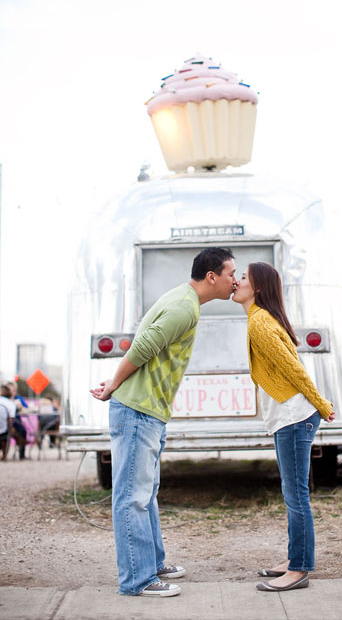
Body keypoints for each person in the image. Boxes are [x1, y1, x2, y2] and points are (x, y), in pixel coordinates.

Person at [90, 246, 237, 597]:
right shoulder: (184, 306)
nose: (235, 280)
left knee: (147, 494)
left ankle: (152, 563)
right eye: (231, 273)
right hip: (137, 410)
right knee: (133, 497)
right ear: (212, 276)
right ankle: (138, 581)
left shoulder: (186, 301)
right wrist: (113, 384)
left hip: (150, 411)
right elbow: (143, 346)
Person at [231, 262, 335, 592]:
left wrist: (321, 404)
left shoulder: (260, 323)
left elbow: (295, 370)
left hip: (295, 417)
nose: (236, 282)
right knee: (292, 495)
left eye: (243, 278)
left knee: (296, 496)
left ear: (257, 288)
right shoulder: (258, 320)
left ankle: (300, 568)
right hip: (289, 417)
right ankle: (294, 560)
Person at [0, 385, 17, 461]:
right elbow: (11, 419)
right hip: (3, 429)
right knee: (12, 431)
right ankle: (4, 455)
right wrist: (11, 429)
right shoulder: (11, 403)